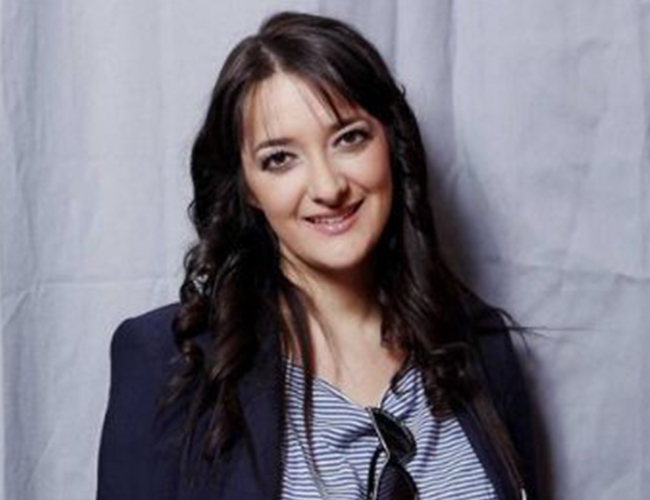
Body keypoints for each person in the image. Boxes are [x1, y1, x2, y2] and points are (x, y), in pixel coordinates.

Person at [97, 11, 537, 500]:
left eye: (349, 138)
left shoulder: (482, 349)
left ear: (390, 142)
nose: (328, 187)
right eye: (280, 159)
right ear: (248, 188)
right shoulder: (169, 362)